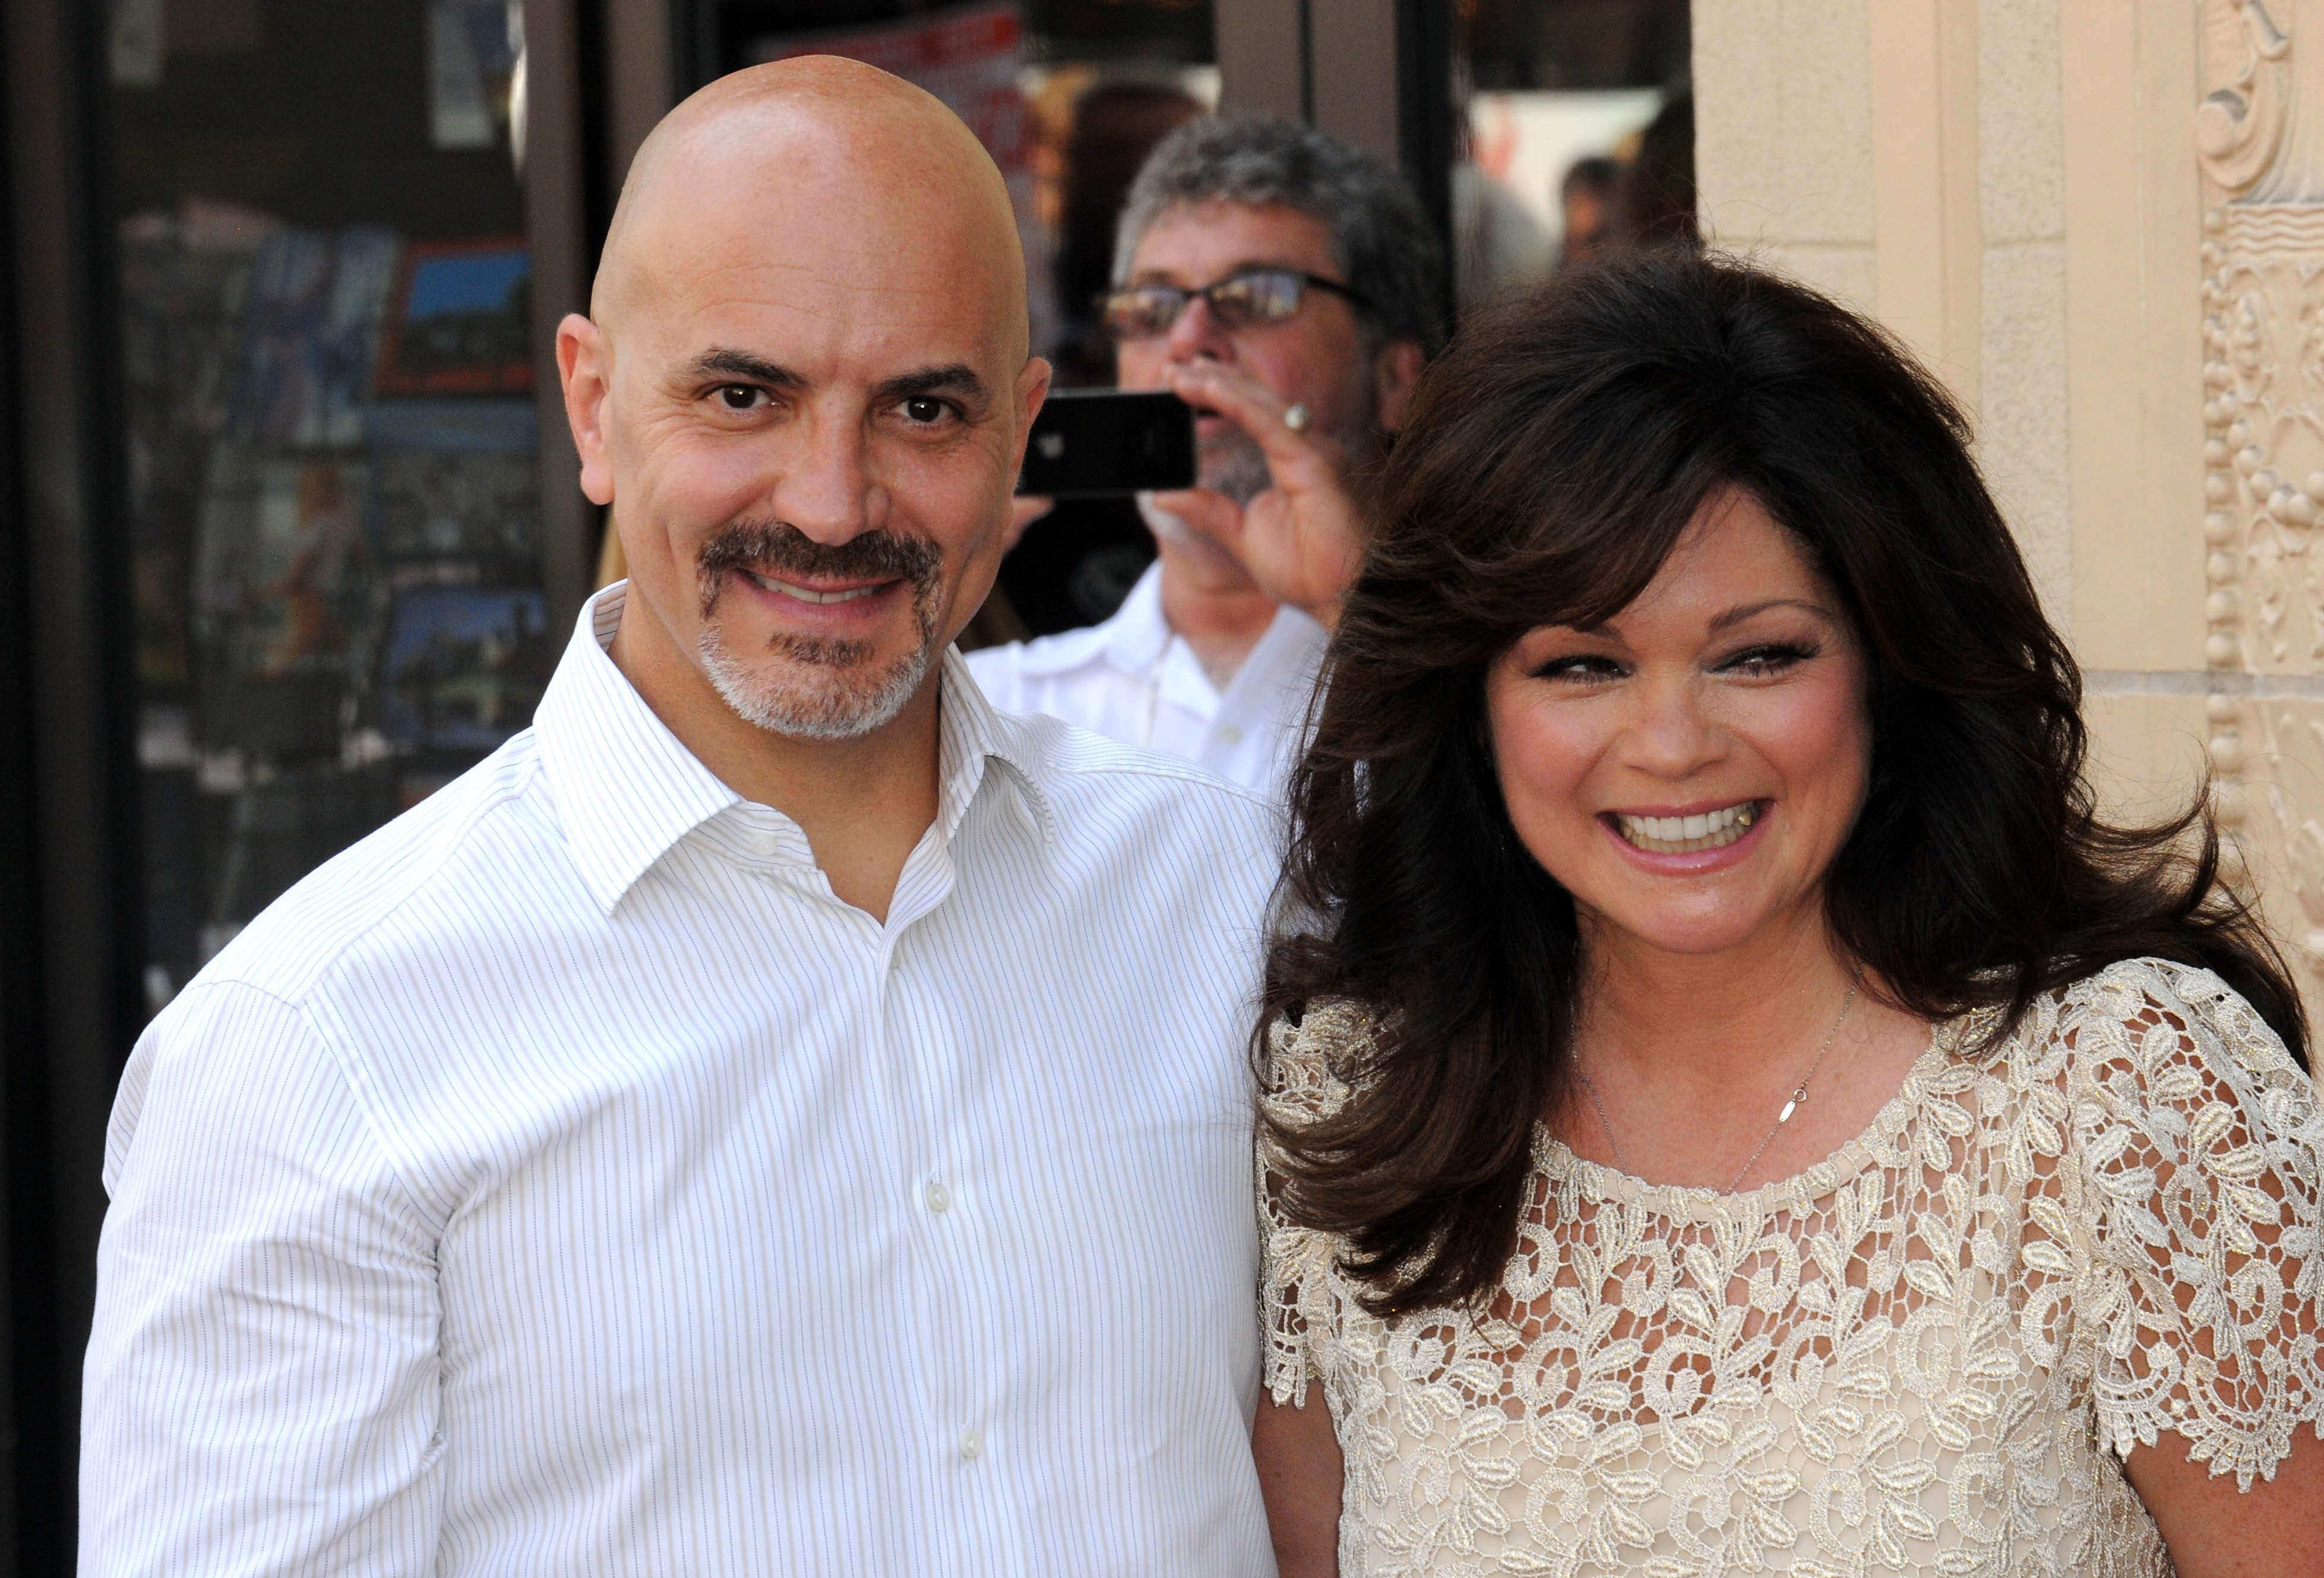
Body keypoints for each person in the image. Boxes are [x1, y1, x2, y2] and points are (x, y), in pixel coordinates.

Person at [81, 59, 1283, 1574]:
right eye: (743, 393)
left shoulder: (1225, 894)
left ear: (1021, 427)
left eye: (923, 405)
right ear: (591, 402)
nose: (836, 502)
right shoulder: (314, 1047)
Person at [1250, 252, 2324, 1576]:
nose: (1671, 742)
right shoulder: (1356, 1097)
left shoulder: (2120, 1095)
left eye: (1757, 653)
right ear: (1469, 703)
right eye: (1579, 663)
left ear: (1889, 662)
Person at [970, 115, 1443, 796]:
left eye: (1254, 297)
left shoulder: (1467, 694)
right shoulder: (994, 704)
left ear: (1397, 379)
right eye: (1152, 308)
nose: (1190, 339)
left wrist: (1357, 611)